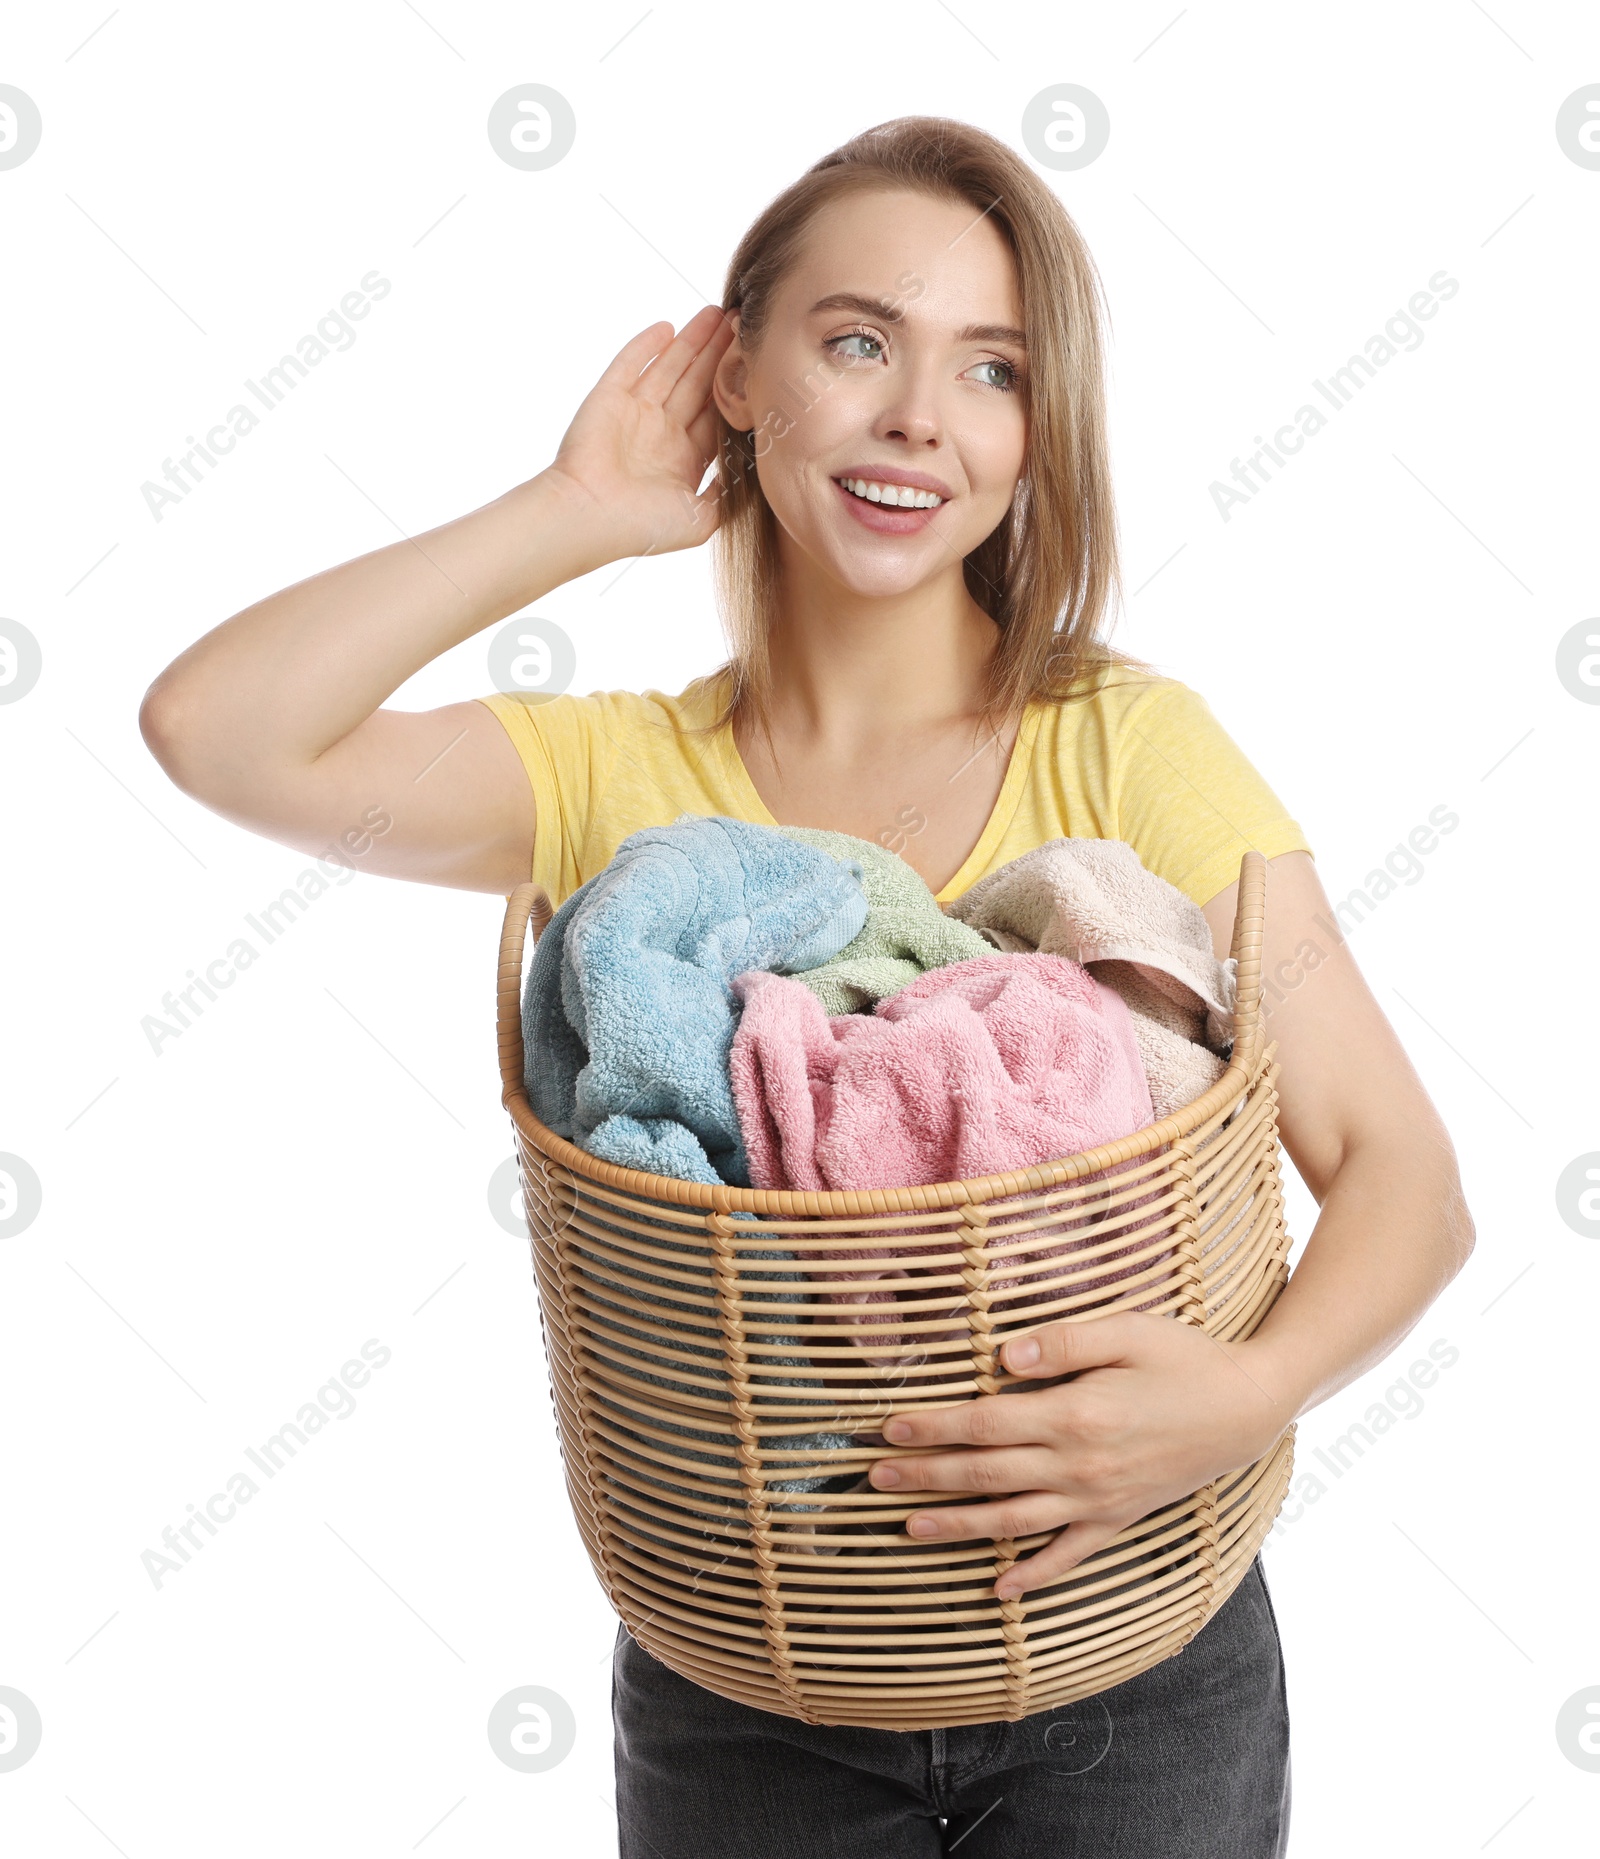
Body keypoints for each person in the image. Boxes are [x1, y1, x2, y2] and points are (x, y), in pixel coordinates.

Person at [140, 115, 1474, 1859]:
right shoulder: (615, 786)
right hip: (743, 1681)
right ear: (739, 373)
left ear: (1031, 432)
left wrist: (1238, 1396)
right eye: (858, 342)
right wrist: (574, 514)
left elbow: (1407, 1180)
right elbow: (216, 731)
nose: (922, 413)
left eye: (991, 369)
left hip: (1134, 1647)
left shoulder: (1133, 751)